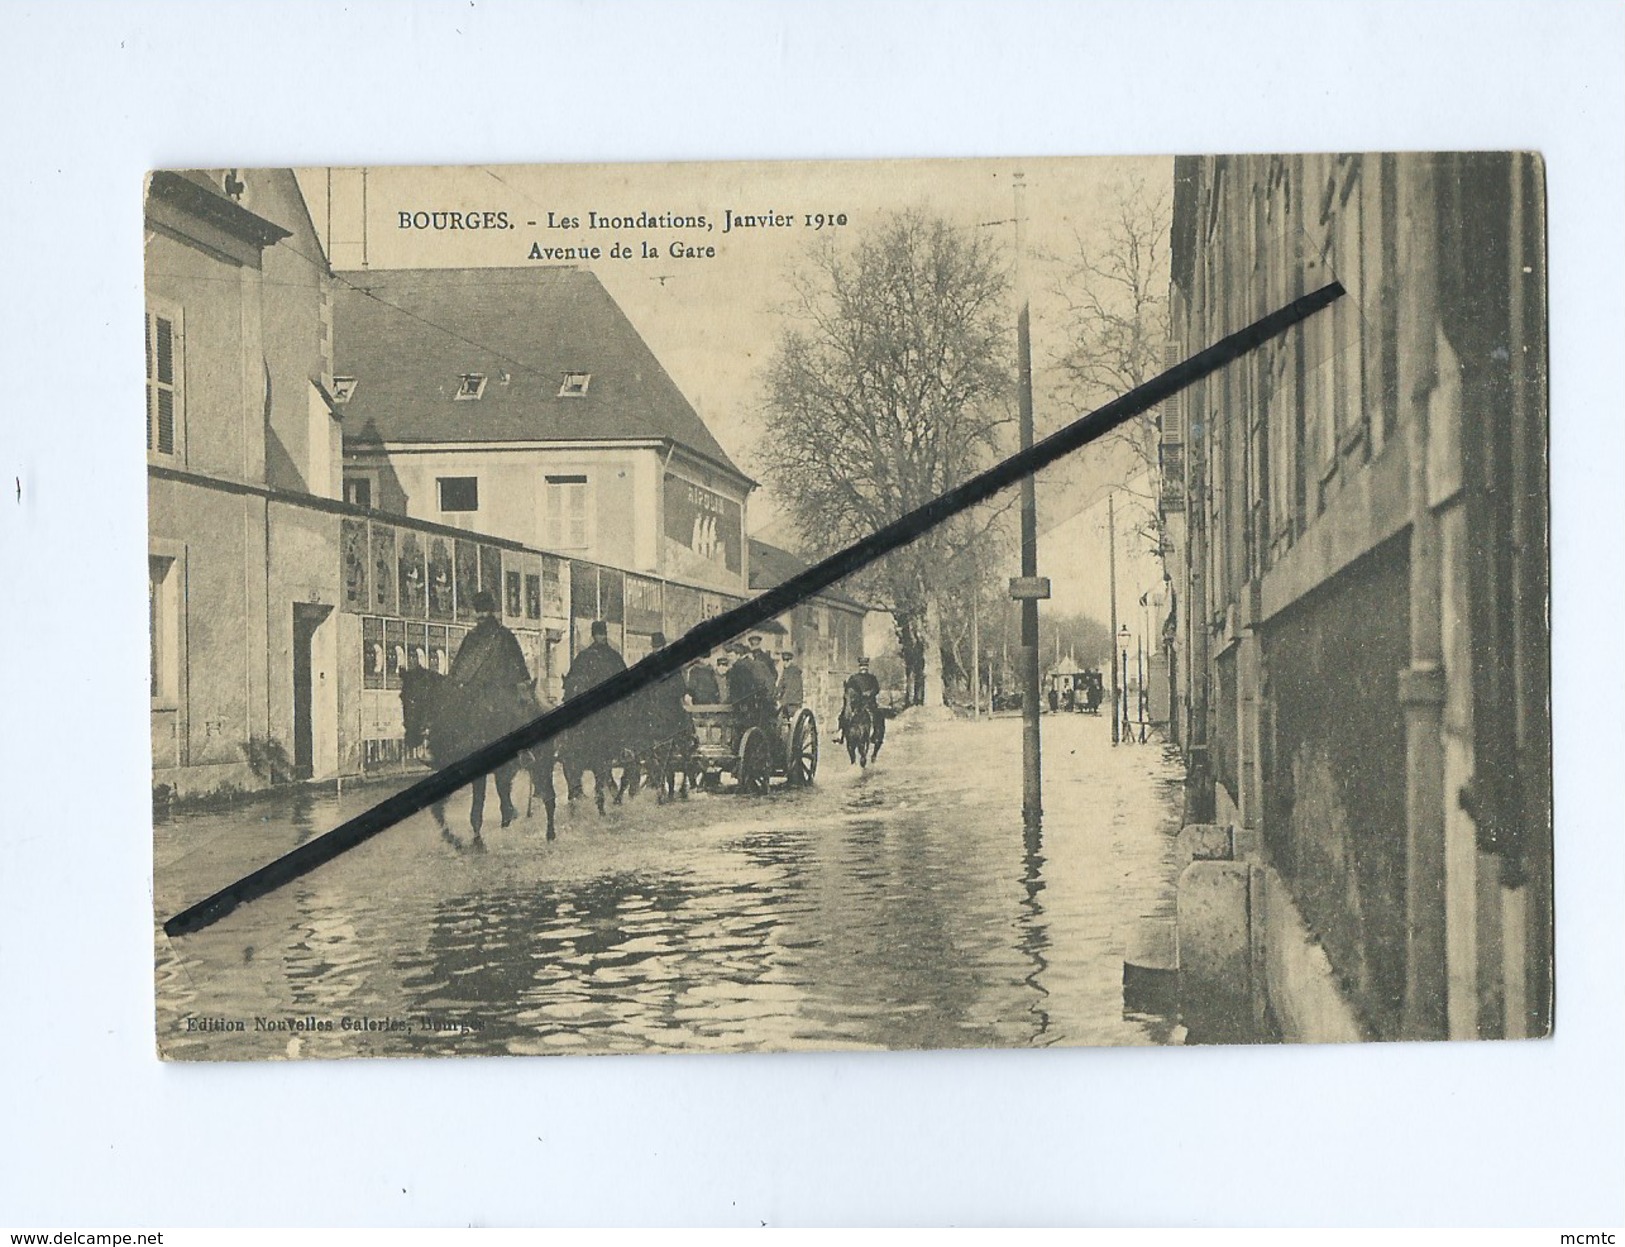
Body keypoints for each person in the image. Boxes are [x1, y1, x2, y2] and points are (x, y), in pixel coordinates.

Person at [443, 589, 533, 831]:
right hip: (476, 697)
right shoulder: (471, 639)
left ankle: (523, 751)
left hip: (501, 694)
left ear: (491, 611)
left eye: (484, 611)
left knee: (514, 717)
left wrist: (515, 684)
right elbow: (457, 669)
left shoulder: (505, 637)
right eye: (478, 612)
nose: (480, 616)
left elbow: (521, 669)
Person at [562, 619, 626, 811]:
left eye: (601, 634)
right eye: (599, 634)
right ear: (597, 635)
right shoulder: (603, 657)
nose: (600, 637)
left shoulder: (590, 657)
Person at [838, 656, 885, 752]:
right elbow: (849, 689)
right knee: (843, 715)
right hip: (857, 703)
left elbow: (876, 689)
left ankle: (877, 736)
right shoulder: (854, 678)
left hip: (869, 703)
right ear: (859, 667)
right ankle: (841, 735)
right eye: (862, 666)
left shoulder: (872, 678)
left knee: (878, 716)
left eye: (865, 666)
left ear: (867, 667)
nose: (864, 668)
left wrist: (870, 693)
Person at [776, 649, 804, 719]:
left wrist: (783, 701)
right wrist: (776, 695)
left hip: (793, 702)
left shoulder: (795, 672)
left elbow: (793, 689)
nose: (785, 663)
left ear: (790, 661)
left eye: (787, 660)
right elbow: (781, 685)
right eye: (784, 660)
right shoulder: (785, 671)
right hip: (786, 701)